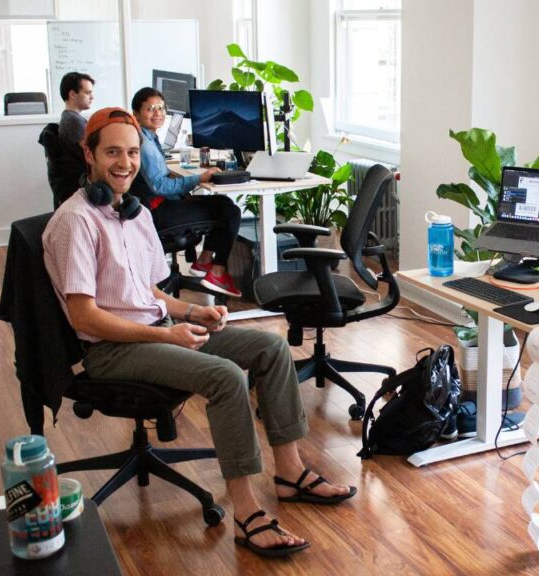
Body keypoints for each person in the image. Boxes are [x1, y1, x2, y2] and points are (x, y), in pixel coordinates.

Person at [42, 108, 356, 558]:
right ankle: (247, 514)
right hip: (112, 348)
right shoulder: (76, 221)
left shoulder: (132, 213)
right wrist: (167, 336)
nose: (125, 163)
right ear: (88, 154)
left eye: (132, 152)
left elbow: (146, 291)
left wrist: (190, 311)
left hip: (156, 327)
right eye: (112, 152)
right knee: (226, 377)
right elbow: (84, 317)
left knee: (269, 346)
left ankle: (290, 472)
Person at [129, 87, 243, 298]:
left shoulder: (147, 136)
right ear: (136, 114)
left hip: (155, 206)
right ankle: (216, 270)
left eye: (161, 108)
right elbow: (159, 186)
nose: (158, 113)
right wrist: (198, 178)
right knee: (230, 212)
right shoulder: (143, 144)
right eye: (150, 108)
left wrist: (187, 187)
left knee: (223, 203)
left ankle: (204, 262)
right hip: (157, 212)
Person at [58, 72, 95, 148]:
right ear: (73, 94)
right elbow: (90, 152)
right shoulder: (73, 120)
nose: (92, 97)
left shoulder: (68, 117)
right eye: (88, 93)